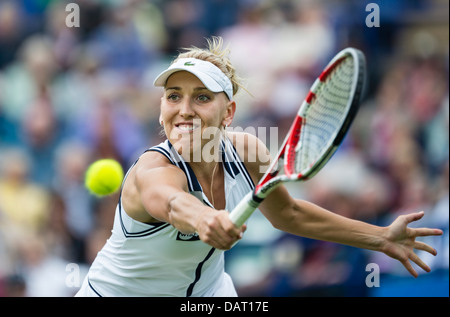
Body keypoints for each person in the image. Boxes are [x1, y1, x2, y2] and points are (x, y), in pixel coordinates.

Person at [76, 37, 443, 297]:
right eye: (174, 97)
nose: (184, 110)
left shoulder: (246, 150)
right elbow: (173, 203)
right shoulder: (152, 170)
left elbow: (291, 215)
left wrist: (379, 237)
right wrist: (206, 220)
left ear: (229, 113)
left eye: (202, 97)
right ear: (161, 108)